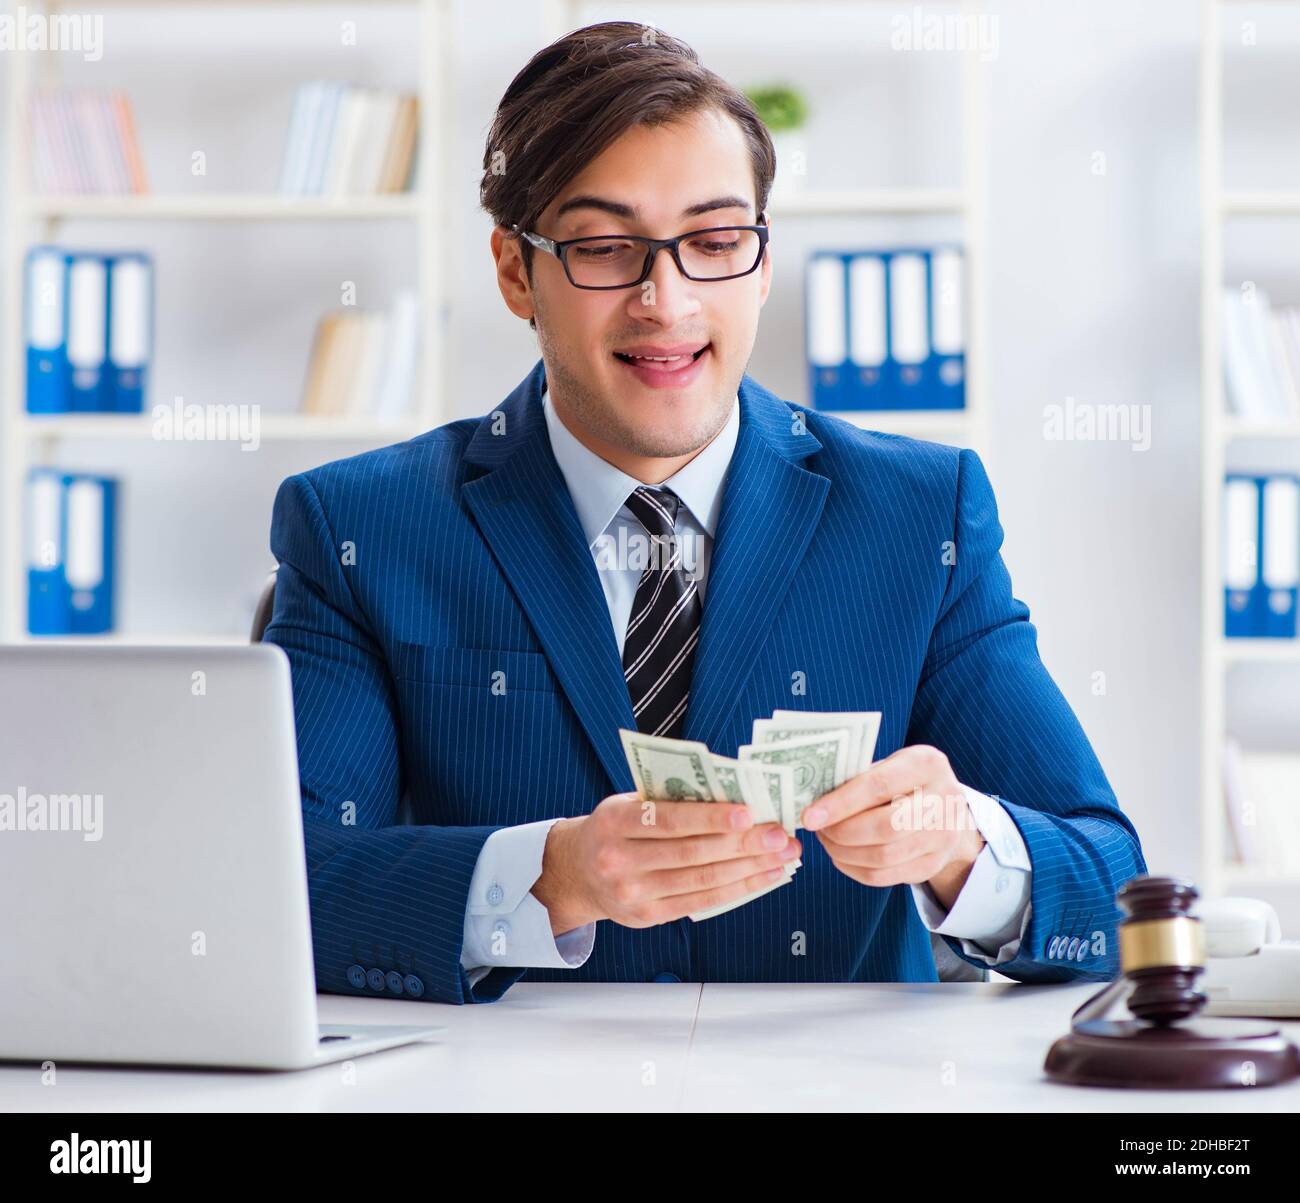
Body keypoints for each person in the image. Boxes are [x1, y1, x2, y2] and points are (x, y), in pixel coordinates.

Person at [266, 21, 1145, 1005]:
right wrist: (547, 877)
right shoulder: (360, 527)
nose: (665, 299)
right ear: (515, 271)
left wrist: (961, 847)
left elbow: (1115, 889)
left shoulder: (916, 516)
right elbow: (279, 886)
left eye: (715, 242)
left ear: (761, 263)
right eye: (605, 247)